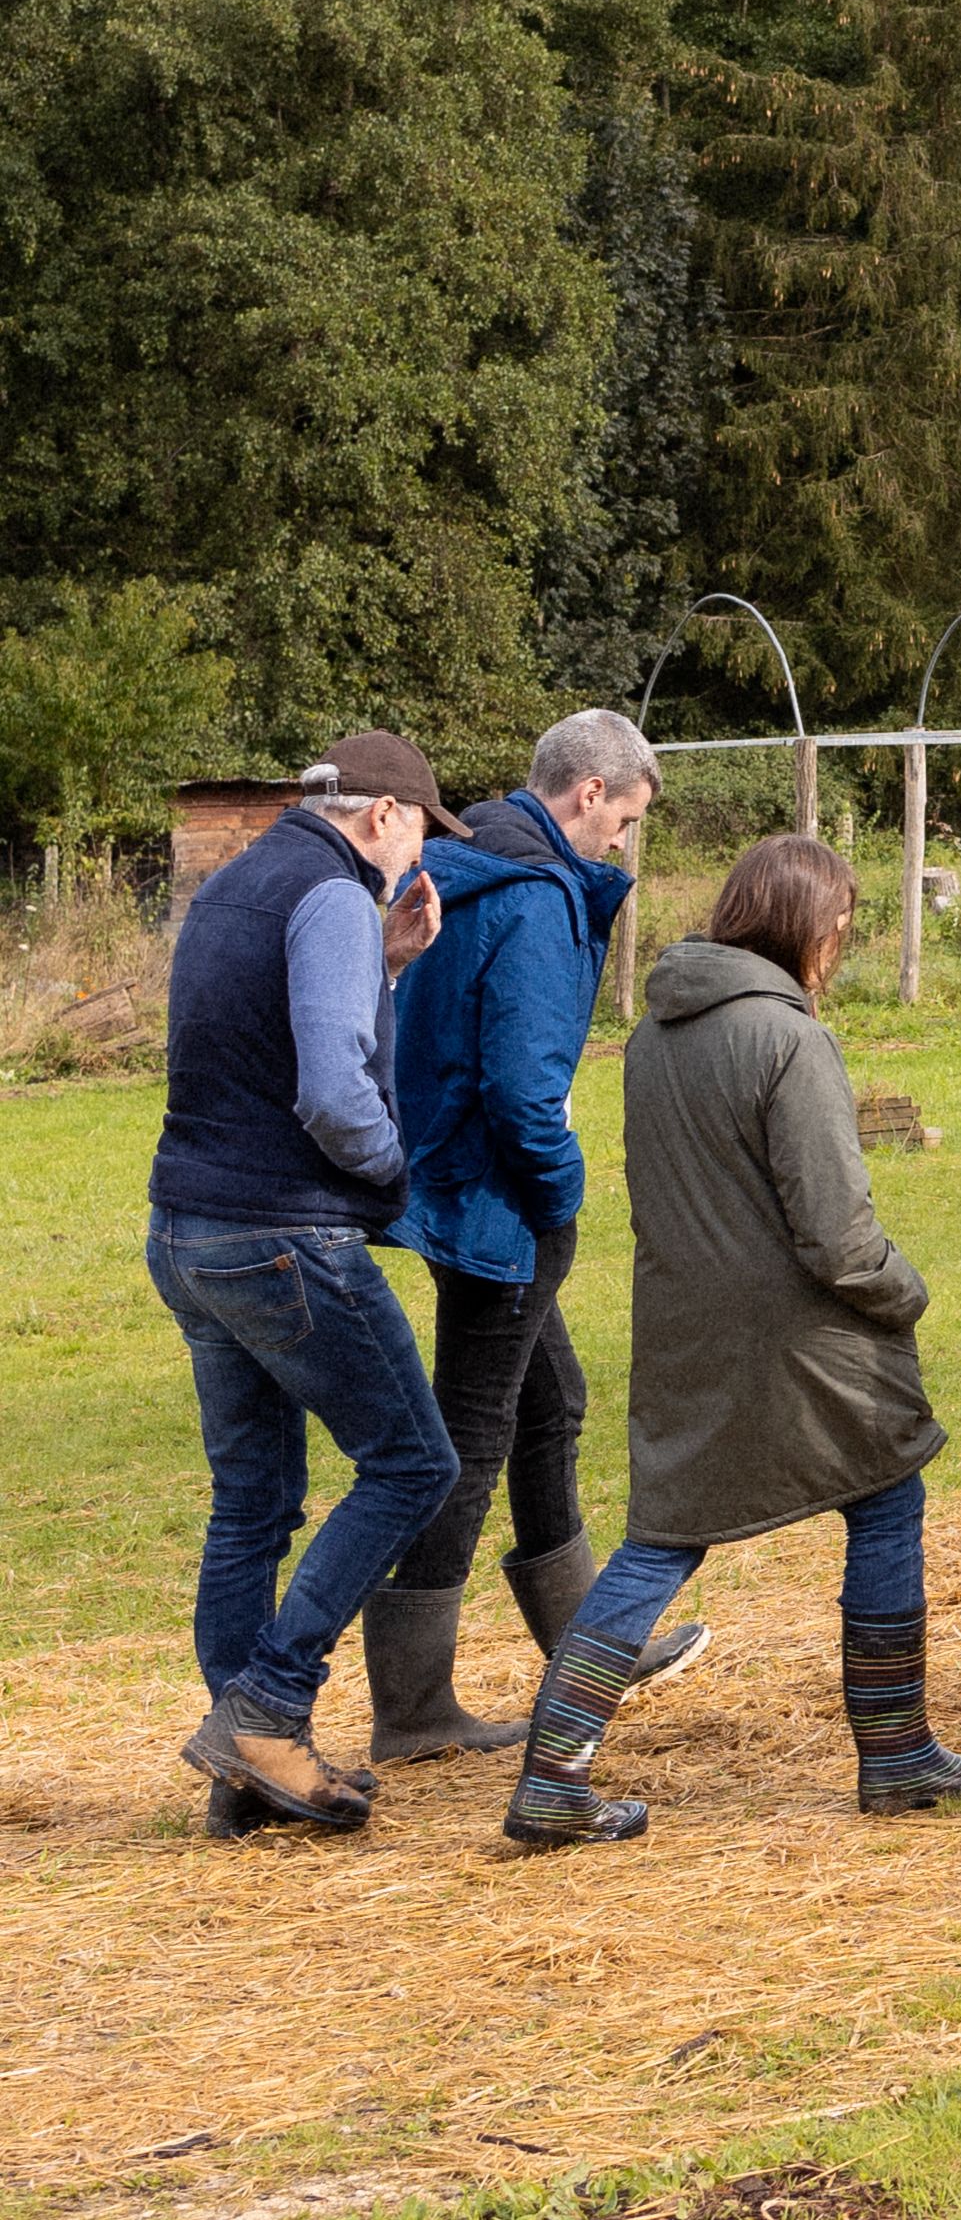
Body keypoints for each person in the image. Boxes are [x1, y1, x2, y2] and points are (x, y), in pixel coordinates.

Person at [498, 838, 961, 1846]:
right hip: (803, 1342)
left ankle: (552, 1772)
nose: (842, 941)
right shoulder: (789, 1040)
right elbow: (837, 1234)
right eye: (841, 922)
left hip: (687, 1333)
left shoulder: (652, 1034)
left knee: (661, 1539)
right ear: (801, 923)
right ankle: (898, 1751)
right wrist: (904, 1292)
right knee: (888, 1490)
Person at [147, 733, 466, 1833]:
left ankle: (252, 1769)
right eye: (423, 826)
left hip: (185, 1232)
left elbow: (258, 1029)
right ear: (382, 817)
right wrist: (396, 1175)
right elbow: (333, 1093)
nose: (420, 849)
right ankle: (270, 1704)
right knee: (415, 1461)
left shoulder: (239, 880)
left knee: (252, 1502)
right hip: (279, 1237)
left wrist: (385, 962)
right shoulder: (331, 894)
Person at [372, 708, 704, 1765]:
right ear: (589, 792)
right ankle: (415, 1706)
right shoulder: (531, 896)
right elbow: (523, 1089)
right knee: (465, 1443)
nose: (621, 845)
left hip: (457, 1188)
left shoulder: (468, 867)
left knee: (549, 1400)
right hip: (495, 1202)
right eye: (625, 821)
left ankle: (585, 1641)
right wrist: (561, 1190)